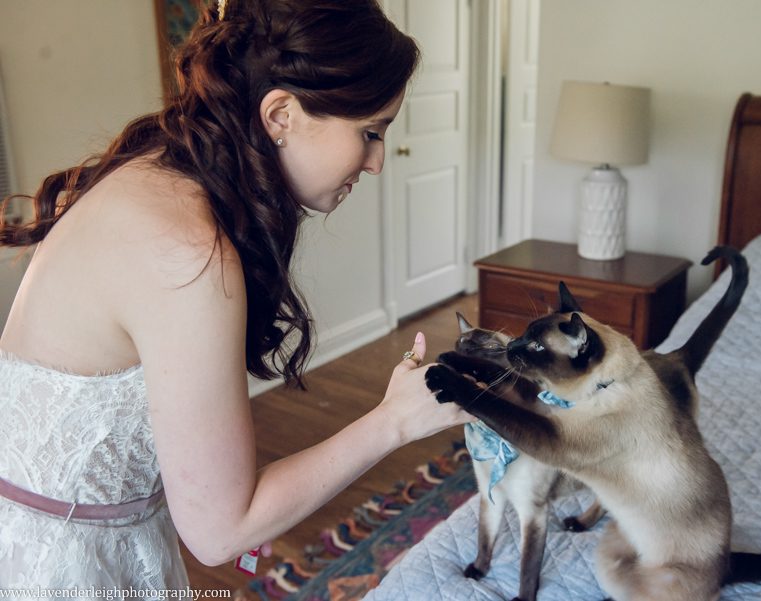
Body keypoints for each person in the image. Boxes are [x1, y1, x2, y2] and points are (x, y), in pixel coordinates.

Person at [0, 0, 471, 592]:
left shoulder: (158, 174)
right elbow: (223, 532)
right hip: (59, 563)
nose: (376, 162)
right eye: (370, 132)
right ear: (280, 114)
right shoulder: (186, 250)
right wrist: (395, 421)